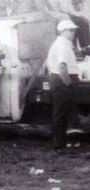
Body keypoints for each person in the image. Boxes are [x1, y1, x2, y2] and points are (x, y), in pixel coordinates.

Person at [46, 20, 81, 149]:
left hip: (61, 80)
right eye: (70, 30)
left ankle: (63, 141)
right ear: (63, 31)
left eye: (73, 30)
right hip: (62, 80)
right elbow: (62, 66)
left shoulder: (65, 44)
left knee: (64, 111)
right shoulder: (62, 45)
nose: (73, 33)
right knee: (60, 112)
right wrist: (68, 83)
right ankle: (58, 143)